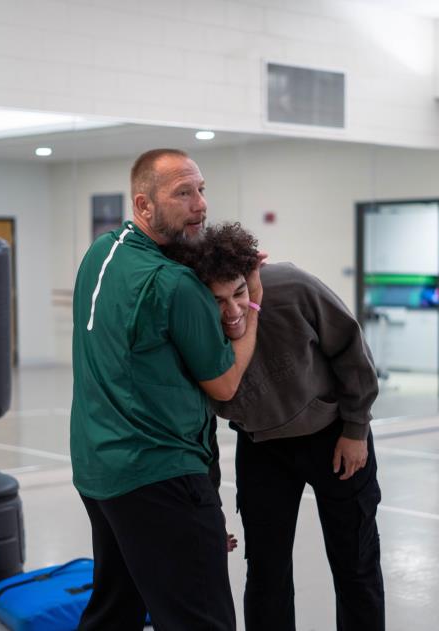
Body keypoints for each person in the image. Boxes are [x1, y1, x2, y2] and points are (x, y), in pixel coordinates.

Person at [70, 150, 261, 631]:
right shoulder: (175, 284)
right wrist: (252, 303)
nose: (199, 205)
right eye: (182, 193)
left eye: (201, 190)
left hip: (100, 472)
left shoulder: (102, 251)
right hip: (161, 474)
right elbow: (225, 383)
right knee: (202, 619)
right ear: (144, 204)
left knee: (116, 609)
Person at [165, 223, 384, 631]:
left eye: (239, 293)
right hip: (261, 446)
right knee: (266, 571)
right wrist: (210, 506)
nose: (232, 312)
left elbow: (352, 352)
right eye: (216, 301)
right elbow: (198, 427)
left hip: (333, 436)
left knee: (355, 564)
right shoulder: (189, 329)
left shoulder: (293, 288)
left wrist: (355, 430)